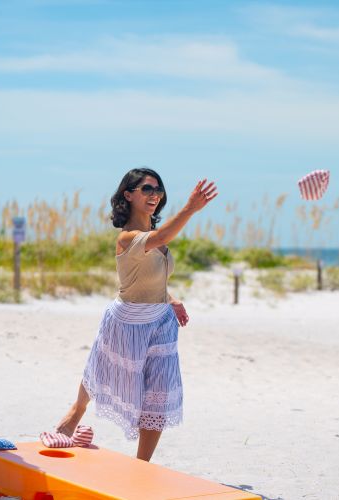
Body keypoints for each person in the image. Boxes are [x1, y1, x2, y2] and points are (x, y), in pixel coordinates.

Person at [56, 168, 217, 462]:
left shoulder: (153, 238)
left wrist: (171, 299)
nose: (154, 195)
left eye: (158, 189)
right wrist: (190, 208)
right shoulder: (128, 238)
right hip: (127, 322)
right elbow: (163, 235)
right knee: (101, 370)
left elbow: (148, 278)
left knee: (158, 393)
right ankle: (74, 414)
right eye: (147, 189)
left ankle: (141, 465)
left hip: (161, 323)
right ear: (128, 195)